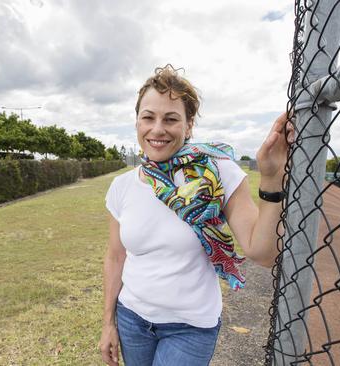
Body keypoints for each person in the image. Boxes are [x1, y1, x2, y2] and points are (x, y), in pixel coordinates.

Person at [99, 65, 293, 366]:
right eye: (148, 117)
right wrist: (108, 323)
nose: (157, 129)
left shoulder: (218, 173)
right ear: (137, 122)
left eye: (171, 119)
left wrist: (272, 179)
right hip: (131, 319)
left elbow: (263, 253)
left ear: (189, 126)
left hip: (190, 327)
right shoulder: (122, 186)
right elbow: (115, 257)